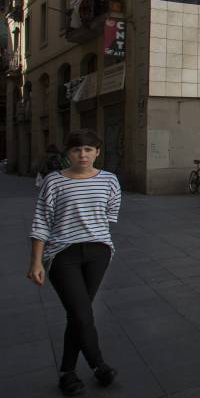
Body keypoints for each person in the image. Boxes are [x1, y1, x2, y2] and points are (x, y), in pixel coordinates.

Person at [28, 129, 121, 396]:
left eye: (89, 149)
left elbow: (108, 215)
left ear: (97, 152)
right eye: (76, 149)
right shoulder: (54, 182)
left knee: (77, 314)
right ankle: (98, 365)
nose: (83, 154)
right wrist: (36, 262)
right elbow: (41, 222)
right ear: (68, 154)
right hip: (62, 254)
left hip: (99, 252)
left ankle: (67, 374)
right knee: (81, 313)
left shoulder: (110, 181)